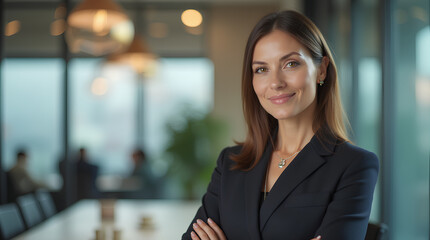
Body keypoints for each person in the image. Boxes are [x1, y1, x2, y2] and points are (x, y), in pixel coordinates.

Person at [182, 10, 379, 240]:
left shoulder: (354, 165)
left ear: (321, 69)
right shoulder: (230, 164)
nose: (275, 82)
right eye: (262, 69)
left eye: (291, 64)